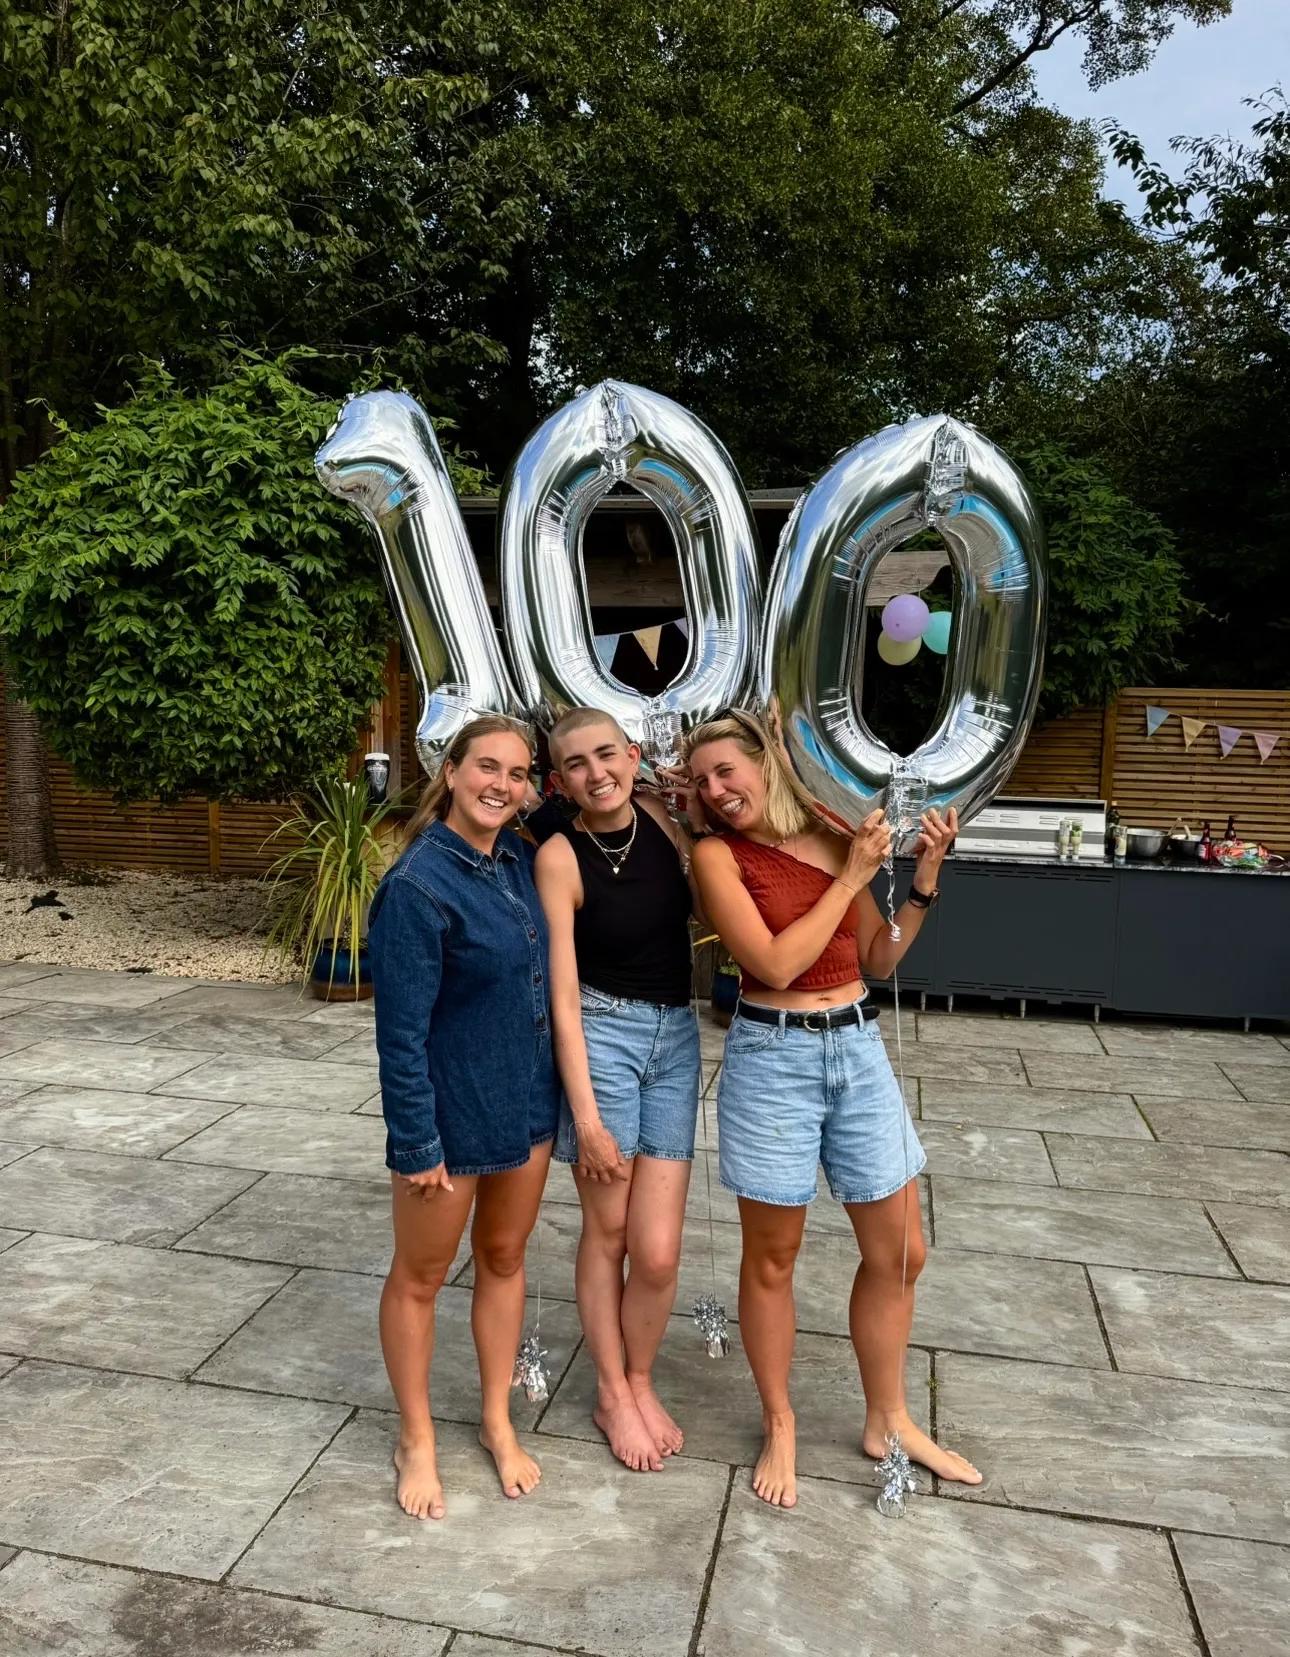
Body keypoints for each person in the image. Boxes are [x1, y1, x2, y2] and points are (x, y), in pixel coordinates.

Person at [684, 709, 982, 1509]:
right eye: (704, 780)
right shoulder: (716, 856)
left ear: (767, 760)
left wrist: (922, 878)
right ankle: (779, 1419)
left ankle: (887, 1417)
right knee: (773, 1258)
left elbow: (878, 955)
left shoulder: (828, 833)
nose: (717, 790)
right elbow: (773, 959)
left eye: (728, 770)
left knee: (903, 1251)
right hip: (773, 1056)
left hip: (856, 1048)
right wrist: (851, 874)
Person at [369, 714, 560, 1520]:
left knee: (505, 1258)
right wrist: (416, 1139)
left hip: (528, 1107)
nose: (502, 784)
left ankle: (494, 1417)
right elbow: (400, 1035)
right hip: (450, 1117)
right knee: (419, 1277)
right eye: (487, 766)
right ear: (450, 771)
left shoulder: (517, 858)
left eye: (517, 774)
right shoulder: (416, 887)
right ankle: (417, 1435)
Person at [533, 708, 702, 1473]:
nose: (596, 772)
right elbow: (561, 998)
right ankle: (611, 1390)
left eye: (607, 754)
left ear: (633, 756)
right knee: (608, 1233)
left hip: (677, 1037)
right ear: (559, 781)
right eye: (576, 763)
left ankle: (639, 1376)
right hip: (603, 1038)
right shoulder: (559, 855)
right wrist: (587, 1117)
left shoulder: (667, 822)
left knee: (659, 1252)